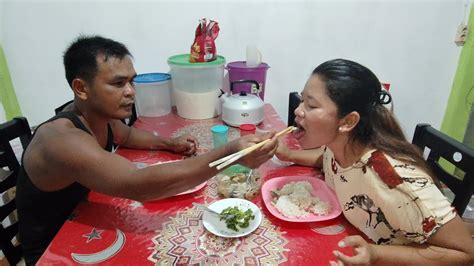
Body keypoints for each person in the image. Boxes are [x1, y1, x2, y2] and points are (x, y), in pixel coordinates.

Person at [16, 35, 278, 265]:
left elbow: (126, 133)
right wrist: (229, 152)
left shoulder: (97, 117)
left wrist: (169, 144)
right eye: (118, 84)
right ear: (81, 88)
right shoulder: (62, 140)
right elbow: (139, 186)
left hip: (85, 217)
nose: (131, 92)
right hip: (55, 248)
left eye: (132, 81)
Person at [275, 59, 474, 265]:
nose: (298, 110)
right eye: (301, 101)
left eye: (311, 105)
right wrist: (289, 154)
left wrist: (376, 254)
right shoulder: (339, 146)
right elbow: (326, 160)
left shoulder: (393, 181)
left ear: (348, 121)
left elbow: (466, 253)